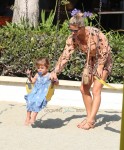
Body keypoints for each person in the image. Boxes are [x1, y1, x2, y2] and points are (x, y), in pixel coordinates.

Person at [51, 10, 113, 130]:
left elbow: (105, 49)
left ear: (82, 27)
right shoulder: (73, 38)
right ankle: (89, 116)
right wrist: (55, 71)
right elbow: (65, 55)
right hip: (90, 61)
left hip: (104, 61)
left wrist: (100, 66)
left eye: (75, 30)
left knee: (96, 90)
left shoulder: (94, 33)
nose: (73, 33)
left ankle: (90, 121)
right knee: (83, 88)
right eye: (71, 30)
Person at [24, 57, 58, 125]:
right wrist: (29, 76)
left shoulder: (49, 75)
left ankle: (33, 117)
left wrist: (54, 79)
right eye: (38, 68)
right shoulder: (37, 74)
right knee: (30, 100)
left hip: (44, 92)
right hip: (35, 91)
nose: (40, 70)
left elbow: (56, 83)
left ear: (47, 67)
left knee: (38, 101)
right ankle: (28, 117)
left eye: (42, 68)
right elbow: (33, 81)